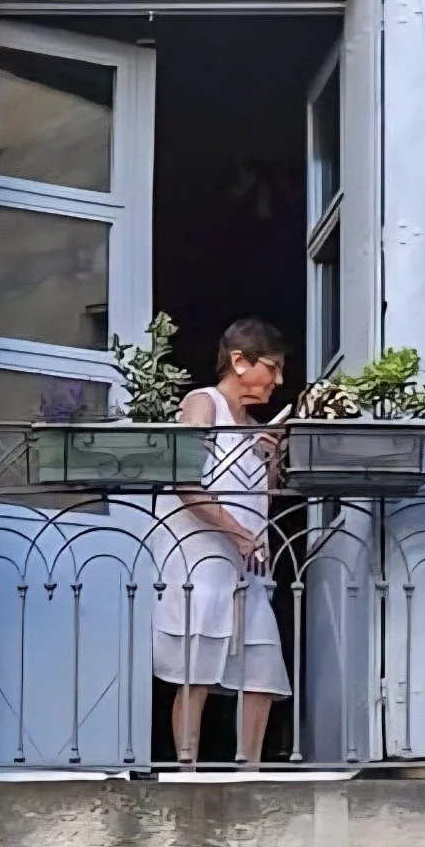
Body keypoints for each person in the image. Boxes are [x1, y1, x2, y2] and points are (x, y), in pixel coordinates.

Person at [156, 318, 293, 765]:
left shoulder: (254, 427)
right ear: (239, 361)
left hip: (246, 561)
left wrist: (270, 457)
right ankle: (187, 768)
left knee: (261, 671)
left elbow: (260, 498)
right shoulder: (203, 403)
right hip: (200, 558)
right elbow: (185, 481)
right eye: (271, 368)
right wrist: (239, 533)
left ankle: (249, 767)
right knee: (196, 668)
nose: (278, 380)